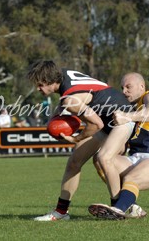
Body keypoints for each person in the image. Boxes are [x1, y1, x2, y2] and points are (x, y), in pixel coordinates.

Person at [27, 60, 133, 221]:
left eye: (40, 84)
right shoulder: (62, 75)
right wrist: (54, 119)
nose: (38, 88)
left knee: (104, 158)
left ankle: (119, 208)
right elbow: (70, 101)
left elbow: (96, 124)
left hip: (123, 117)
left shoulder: (70, 100)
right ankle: (61, 212)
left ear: (50, 81)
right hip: (108, 118)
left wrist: (76, 138)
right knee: (74, 162)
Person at [87, 72, 149, 220]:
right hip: (135, 158)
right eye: (122, 88)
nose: (124, 91)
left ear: (142, 86)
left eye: (128, 87)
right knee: (101, 159)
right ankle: (127, 206)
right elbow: (121, 149)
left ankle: (118, 208)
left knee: (131, 178)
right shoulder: (127, 108)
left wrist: (127, 117)